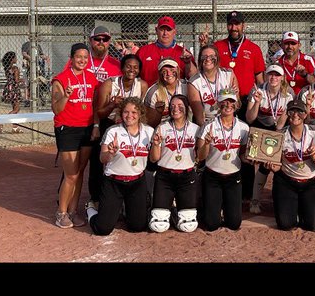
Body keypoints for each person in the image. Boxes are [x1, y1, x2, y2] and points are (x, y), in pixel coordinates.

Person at [198, 11, 265, 202]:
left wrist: (258, 99)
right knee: (220, 143)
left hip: (245, 102)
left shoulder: (253, 48)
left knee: (245, 145)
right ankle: (213, 187)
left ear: (243, 25)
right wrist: (203, 45)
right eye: (230, 24)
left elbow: (259, 79)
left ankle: (245, 193)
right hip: (223, 103)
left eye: (237, 24)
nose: (233, 28)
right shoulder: (218, 46)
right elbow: (206, 64)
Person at [88, 99, 154, 236]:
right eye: (126, 112)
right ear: (121, 113)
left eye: (134, 112)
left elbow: (154, 159)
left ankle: (125, 209)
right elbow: (102, 158)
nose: (130, 116)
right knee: (103, 229)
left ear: (140, 113)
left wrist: (158, 145)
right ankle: (90, 209)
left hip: (137, 182)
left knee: (138, 226)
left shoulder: (149, 132)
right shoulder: (113, 131)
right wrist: (110, 153)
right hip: (114, 182)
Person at [51, 43, 98, 229]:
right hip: (68, 129)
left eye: (86, 58)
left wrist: (95, 126)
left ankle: (72, 211)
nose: (82, 60)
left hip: (86, 128)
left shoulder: (92, 78)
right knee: (70, 175)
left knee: (79, 173)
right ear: (71, 58)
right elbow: (56, 109)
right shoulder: (60, 79)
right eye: (79, 57)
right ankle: (61, 212)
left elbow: (95, 105)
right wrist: (66, 96)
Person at [267, 96, 315, 232]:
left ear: (305, 114)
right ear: (287, 114)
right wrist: (272, 167)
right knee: (286, 224)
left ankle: (303, 207)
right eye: (292, 111)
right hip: (288, 181)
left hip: (311, 182)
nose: (295, 115)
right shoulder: (280, 135)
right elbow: (277, 166)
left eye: (299, 111)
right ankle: (294, 208)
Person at [197, 89, 249, 231]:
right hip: (212, 177)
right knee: (211, 225)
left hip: (233, 177)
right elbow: (200, 157)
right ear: (218, 104)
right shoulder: (209, 126)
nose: (228, 105)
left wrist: (252, 158)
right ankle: (211, 209)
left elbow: (243, 155)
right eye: (224, 102)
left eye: (231, 101)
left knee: (234, 224)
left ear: (237, 104)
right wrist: (207, 144)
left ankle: (222, 207)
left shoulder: (243, 128)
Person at [148, 93, 200, 233]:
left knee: (188, 226)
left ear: (187, 108)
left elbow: (200, 157)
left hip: (187, 177)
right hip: (165, 177)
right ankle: (166, 210)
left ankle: (175, 212)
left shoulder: (195, 129)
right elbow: (154, 159)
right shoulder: (162, 127)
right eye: (172, 106)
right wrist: (156, 144)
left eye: (180, 106)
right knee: (159, 226)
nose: (175, 109)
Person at [245, 63, 293, 214]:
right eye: (271, 74)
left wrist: (273, 144)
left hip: (276, 130)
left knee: (274, 163)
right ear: (266, 75)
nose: (274, 77)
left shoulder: (288, 94)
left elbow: (280, 125)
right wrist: (257, 102)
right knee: (262, 166)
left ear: (282, 77)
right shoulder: (258, 90)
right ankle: (254, 201)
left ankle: (282, 198)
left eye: (277, 75)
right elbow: (249, 118)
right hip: (259, 127)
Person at [137, 16, 197, 88]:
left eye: (168, 30)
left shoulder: (183, 53)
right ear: (156, 30)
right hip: (149, 95)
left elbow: (193, 78)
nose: (165, 33)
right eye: (162, 29)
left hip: (175, 96)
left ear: (174, 32)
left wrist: (188, 63)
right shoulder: (143, 51)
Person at [187, 45, 240, 126]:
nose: (208, 59)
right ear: (200, 60)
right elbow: (199, 118)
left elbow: (237, 105)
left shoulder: (228, 74)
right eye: (204, 56)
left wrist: (235, 96)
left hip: (228, 118)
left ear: (217, 58)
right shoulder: (194, 82)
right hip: (208, 122)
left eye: (212, 56)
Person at [144, 58, 189, 128]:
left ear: (178, 70)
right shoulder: (153, 92)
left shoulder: (186, 86)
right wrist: (158, 112)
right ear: (159, 74)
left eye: (172, 70)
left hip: (186, 127)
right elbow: (150, 125)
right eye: (164, 71)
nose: (169, 74)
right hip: (163, 129)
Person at [277, 31, 315, 95]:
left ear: (299, 45)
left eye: (293, 43)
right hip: (285, 98)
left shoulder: (308, 60)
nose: (290, 46)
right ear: (282, 45)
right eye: (287, 43)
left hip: (305, 98)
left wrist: (305, 75)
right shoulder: (278, 63)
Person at [1, 51, 23, 130]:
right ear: (12, 59)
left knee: (14, 107)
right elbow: (16, 80)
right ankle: (1, 121)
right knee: (17, 109)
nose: (16, 59)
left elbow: (10, 79)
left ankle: (15, 127)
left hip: (9, 88)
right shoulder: (15, 68)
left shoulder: (7, 68)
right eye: (15, 57)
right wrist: (23, 80)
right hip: (14, 89)